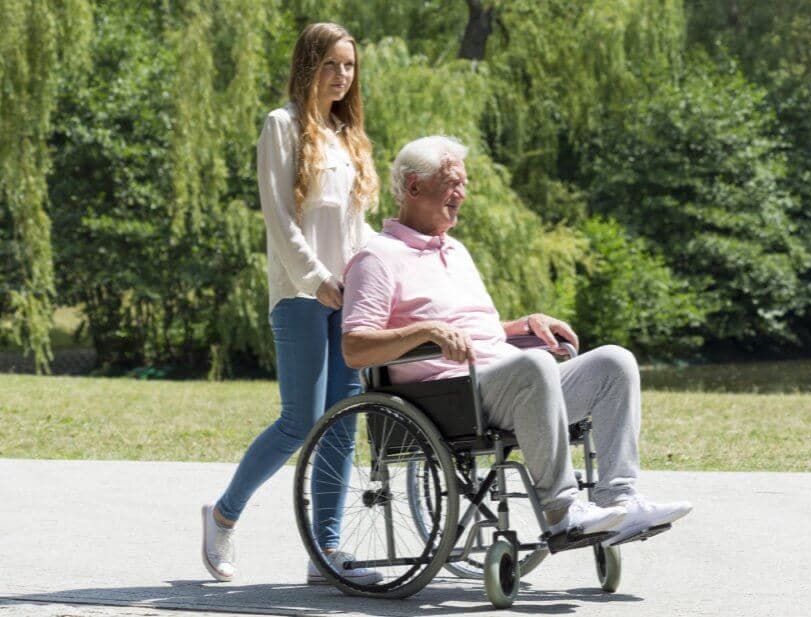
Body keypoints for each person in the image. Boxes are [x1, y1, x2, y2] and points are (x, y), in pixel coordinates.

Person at [340, 136, 692, 546]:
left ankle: (620, 501)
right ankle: (562, 511)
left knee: (615, 362)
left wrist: (520, 325)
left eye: (463, 183)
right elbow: (355, 347)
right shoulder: (377, 258)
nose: (463, 194)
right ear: (414, 187)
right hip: (448, 397)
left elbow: (472, 326)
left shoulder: (455, 251)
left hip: (504, 382)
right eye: (453, 183)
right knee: (535, 365)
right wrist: (424, 331)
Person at [201, 22, 382, 586]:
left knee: (341, 423)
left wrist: (386, 266)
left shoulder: (346, 134)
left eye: (349, 66)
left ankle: (324, 551)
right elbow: (279, 219)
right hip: (302, 294)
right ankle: (224, 514)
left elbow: (357, 225)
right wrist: (318, 277)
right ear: (308, 65)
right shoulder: (281, 127)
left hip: (348, 296)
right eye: (331, 64)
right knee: (299, 421)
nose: (341, 76)